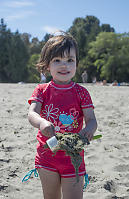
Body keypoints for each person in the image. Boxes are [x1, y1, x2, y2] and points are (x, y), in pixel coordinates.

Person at [28, 31, 97, 199]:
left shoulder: (81, 93)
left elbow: (91, 119)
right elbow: (32, 113)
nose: (64, 65)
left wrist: (89, 129)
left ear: (76, 64)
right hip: (47, 155)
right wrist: (42, 123)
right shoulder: (42, 90)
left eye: (70, 60)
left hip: (73, 156)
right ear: (47, 65)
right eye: (57, 60)